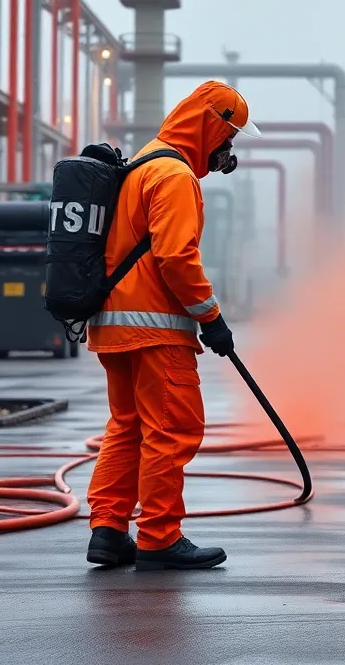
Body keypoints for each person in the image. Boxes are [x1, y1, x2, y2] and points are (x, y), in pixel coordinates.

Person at [84, 80, 261, 571]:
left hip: (113, 327)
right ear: (210, 127)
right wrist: (212, 317)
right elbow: (176, 258)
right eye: (229, 137)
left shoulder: (142, 164)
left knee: (128, 427)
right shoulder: (175, 176)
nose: (229, 149)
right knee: (172, 428)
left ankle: (108, 529)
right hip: (156, 330)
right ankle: (160, 536)